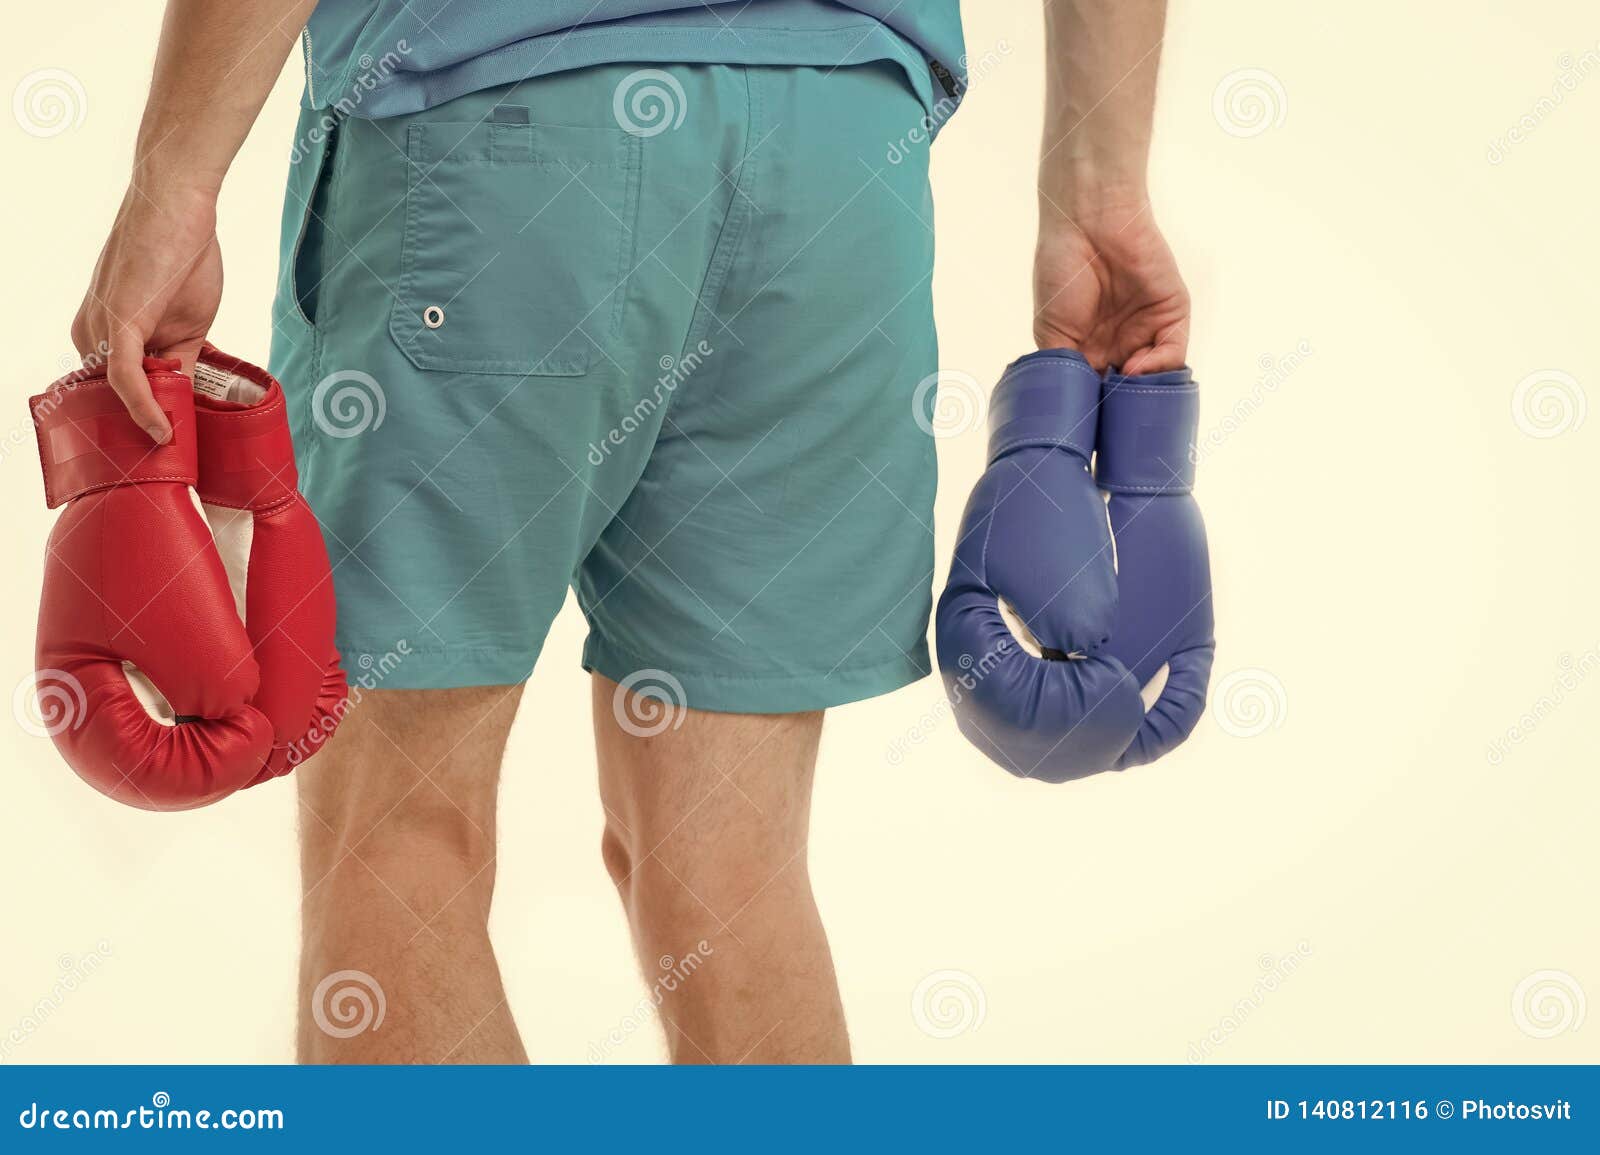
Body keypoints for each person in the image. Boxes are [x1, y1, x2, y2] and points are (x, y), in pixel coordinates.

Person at [70, 0, 1189, 1064]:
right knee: (732, 870)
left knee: (400, 833)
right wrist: (1099, 194)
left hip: (500, 126)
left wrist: (173, 178)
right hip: (841, 154)